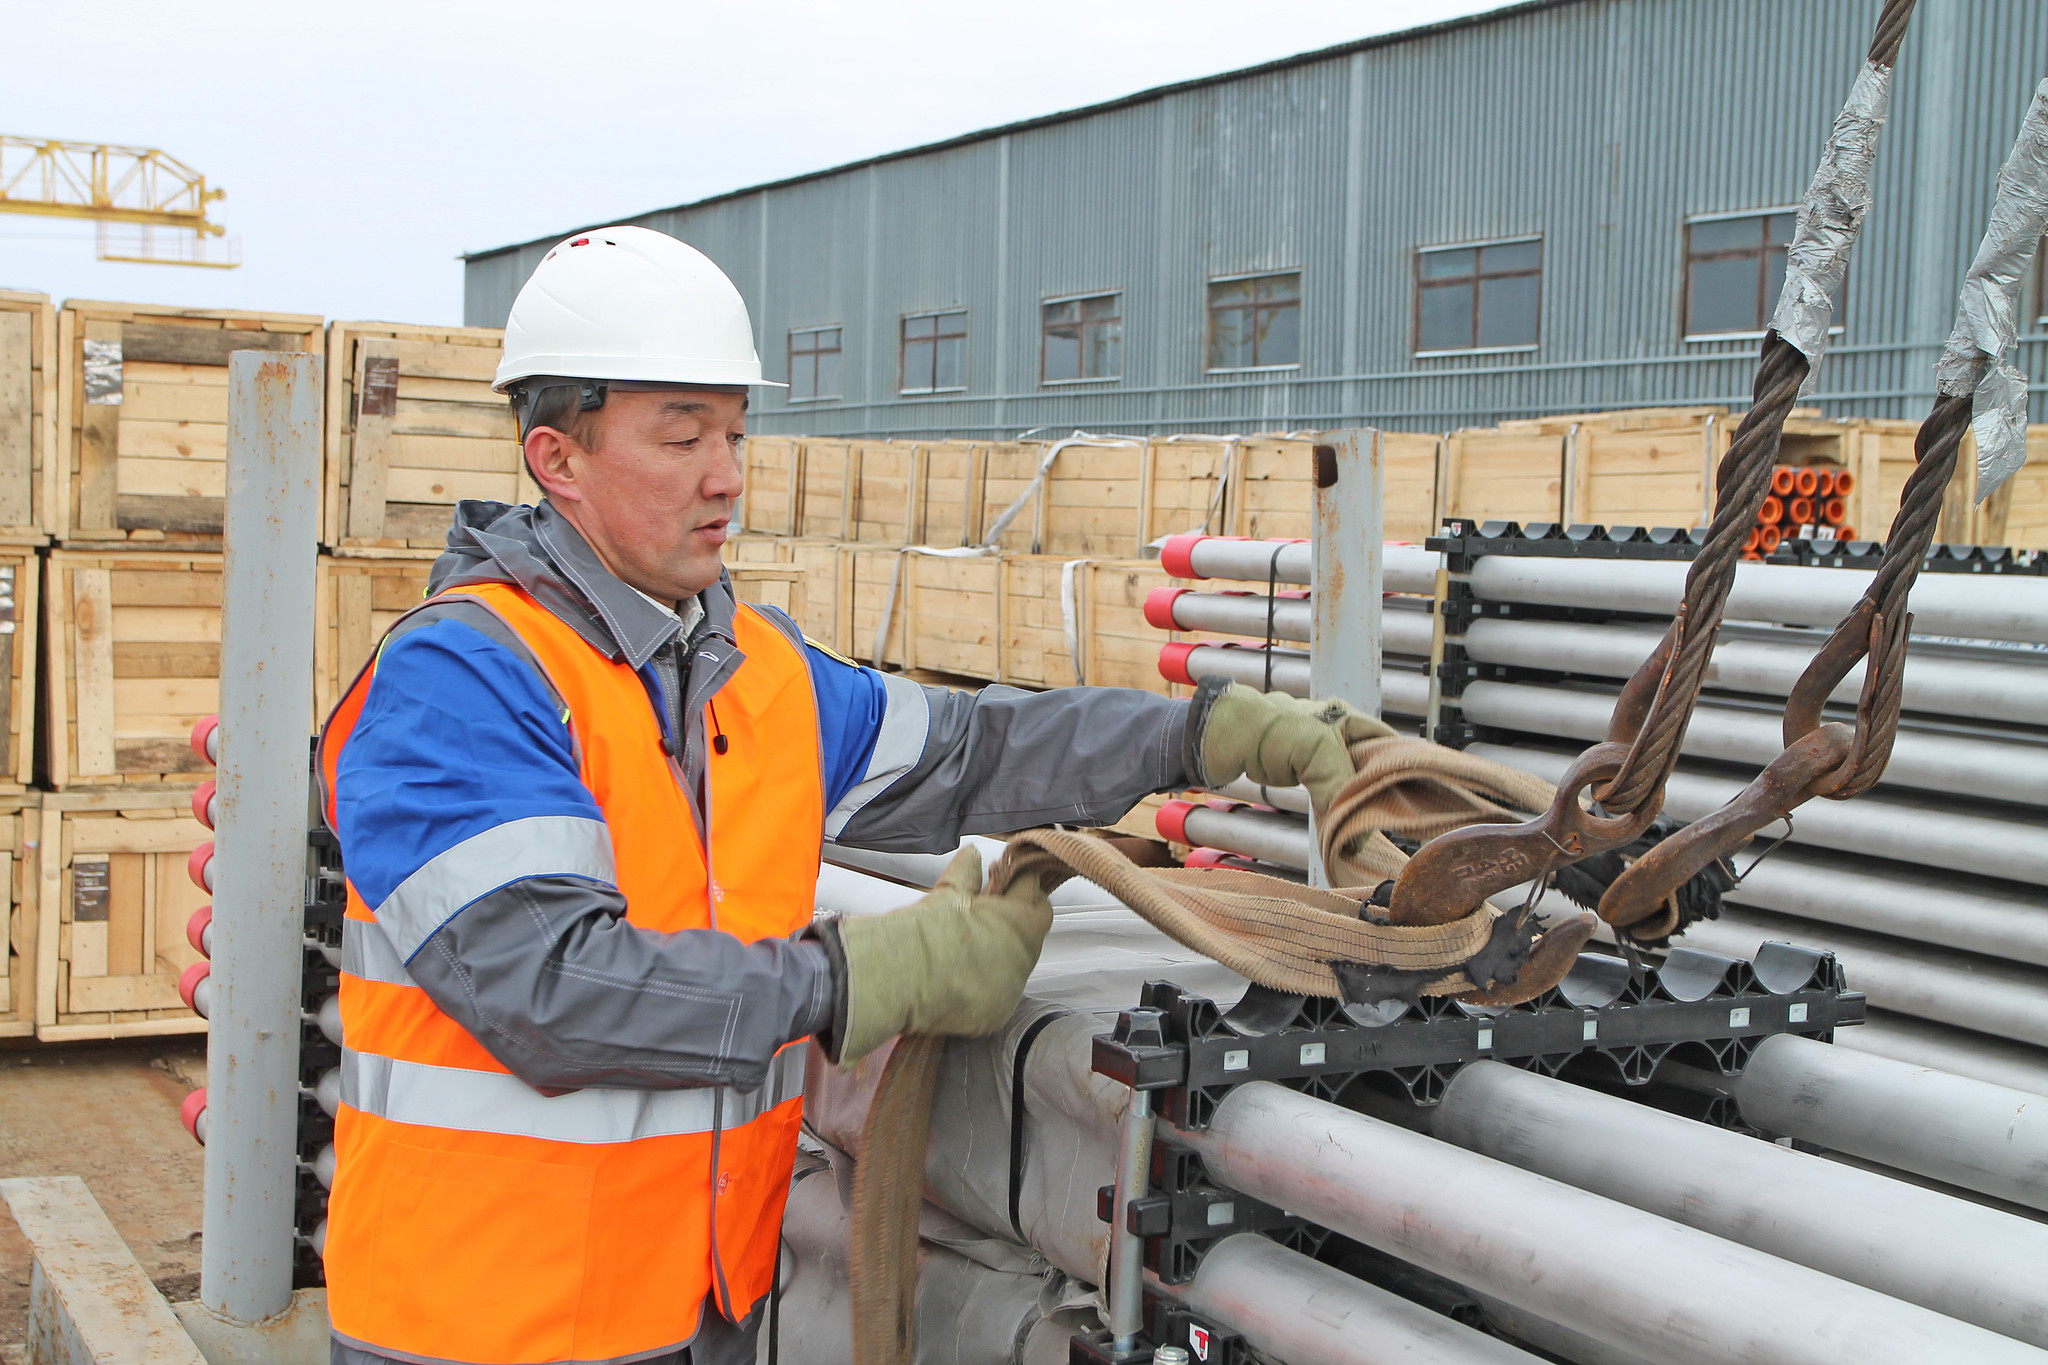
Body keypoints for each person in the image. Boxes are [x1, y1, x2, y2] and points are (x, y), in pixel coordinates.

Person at [316, 225, 1366, 1365]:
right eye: (681, 437)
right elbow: (547, 986)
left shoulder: (745, 668)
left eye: (733, 432)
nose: (725, 475)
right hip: (478, 1325)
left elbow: (970, 752)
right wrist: (857, 978)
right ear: (555, 458)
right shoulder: (458, 681)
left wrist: (1194, 733)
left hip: (696, 1308)